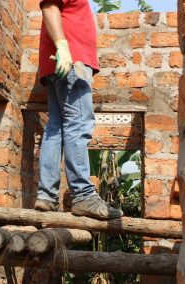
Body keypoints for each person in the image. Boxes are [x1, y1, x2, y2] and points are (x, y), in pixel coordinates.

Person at [34, 0, 124, 219]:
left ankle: (46, 196)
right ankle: (83, 195)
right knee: (78, 123)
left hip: (60, 63)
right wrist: (63, 46)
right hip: (71, 60)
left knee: (55, 127)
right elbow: (49, 6)